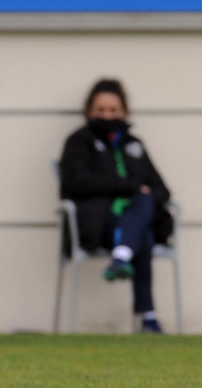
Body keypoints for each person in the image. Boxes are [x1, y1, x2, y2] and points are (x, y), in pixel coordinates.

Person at [58, 78, 173, 333]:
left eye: (113, 110)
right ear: (89, 111)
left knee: (143, 210)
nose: (107, 115)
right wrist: (128, 187)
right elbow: (75, 183)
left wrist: (141, 193)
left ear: (124, 111)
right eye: (101, 110)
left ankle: (121, 257)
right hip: (99, 223)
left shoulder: (134, 144)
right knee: (142, 230)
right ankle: (148, 317)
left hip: (134, 220)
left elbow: (162, 189)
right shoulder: (79, 142)